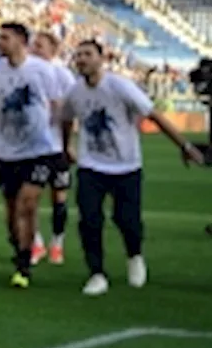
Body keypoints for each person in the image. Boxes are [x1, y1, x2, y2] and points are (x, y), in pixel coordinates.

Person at [61, 40, 204, 296]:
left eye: (87, 54)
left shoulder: (119, 86)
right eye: (78, 55)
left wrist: (184, 145)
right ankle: (96, 273)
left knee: (127, 220)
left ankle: (135, 256)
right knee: (89, 219)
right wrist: (66, 146)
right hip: (91, 166)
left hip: (126, 166)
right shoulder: (75, 92)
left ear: (101, 58)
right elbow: (66, 119)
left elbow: (154, 115)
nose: (81, 59)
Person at [0, 22, 64, 289]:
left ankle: (25, 264)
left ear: (20, 41)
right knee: (12, 209)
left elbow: (56, 105)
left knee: (28, 203)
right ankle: (19, 251)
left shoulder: (42, 70)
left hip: (40, 150)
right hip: (7, 150)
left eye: (4, 38)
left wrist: (60, 140)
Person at [30, 31, 78, 266]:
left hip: (57, 144)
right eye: (33, 45)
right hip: (32, 147)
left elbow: (72, 110)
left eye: (39, 45)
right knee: (31, 198)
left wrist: (70, 143)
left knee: (59, 198)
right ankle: (36, 243)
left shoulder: (62, 75)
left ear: (53, 50)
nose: (34, 49)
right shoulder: (26, 71)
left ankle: (57, 243)